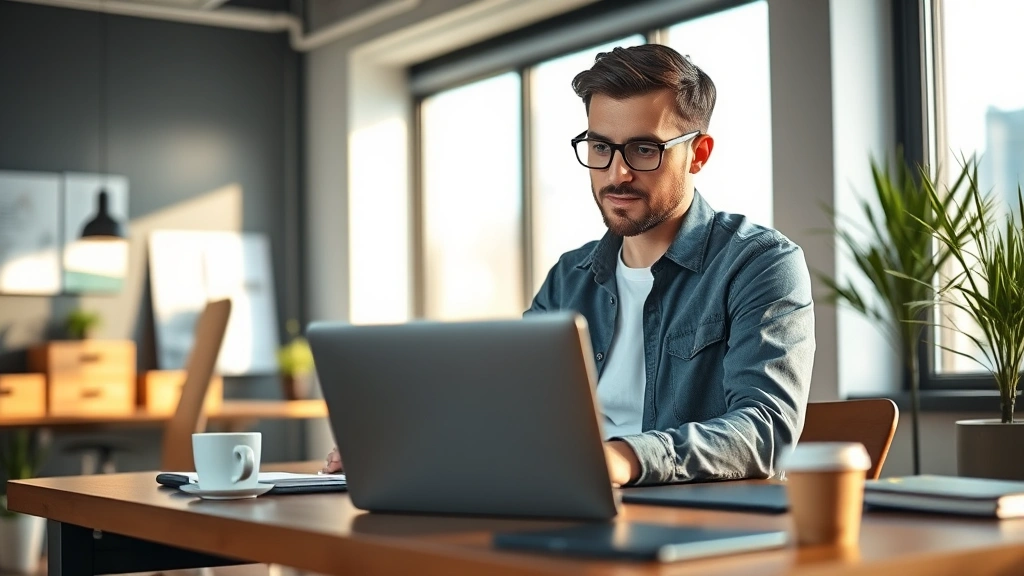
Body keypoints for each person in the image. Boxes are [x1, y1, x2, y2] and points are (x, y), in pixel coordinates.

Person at [324, 44, 814, 487]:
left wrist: (623, 459)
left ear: (698, 154)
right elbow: (507, 407)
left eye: (644, 150)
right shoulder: (569, 277)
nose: (617, 173)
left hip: (695, 519)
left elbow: (766, 427)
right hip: (567, 505)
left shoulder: (761, 264)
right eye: (601, 148)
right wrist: (403, 446)